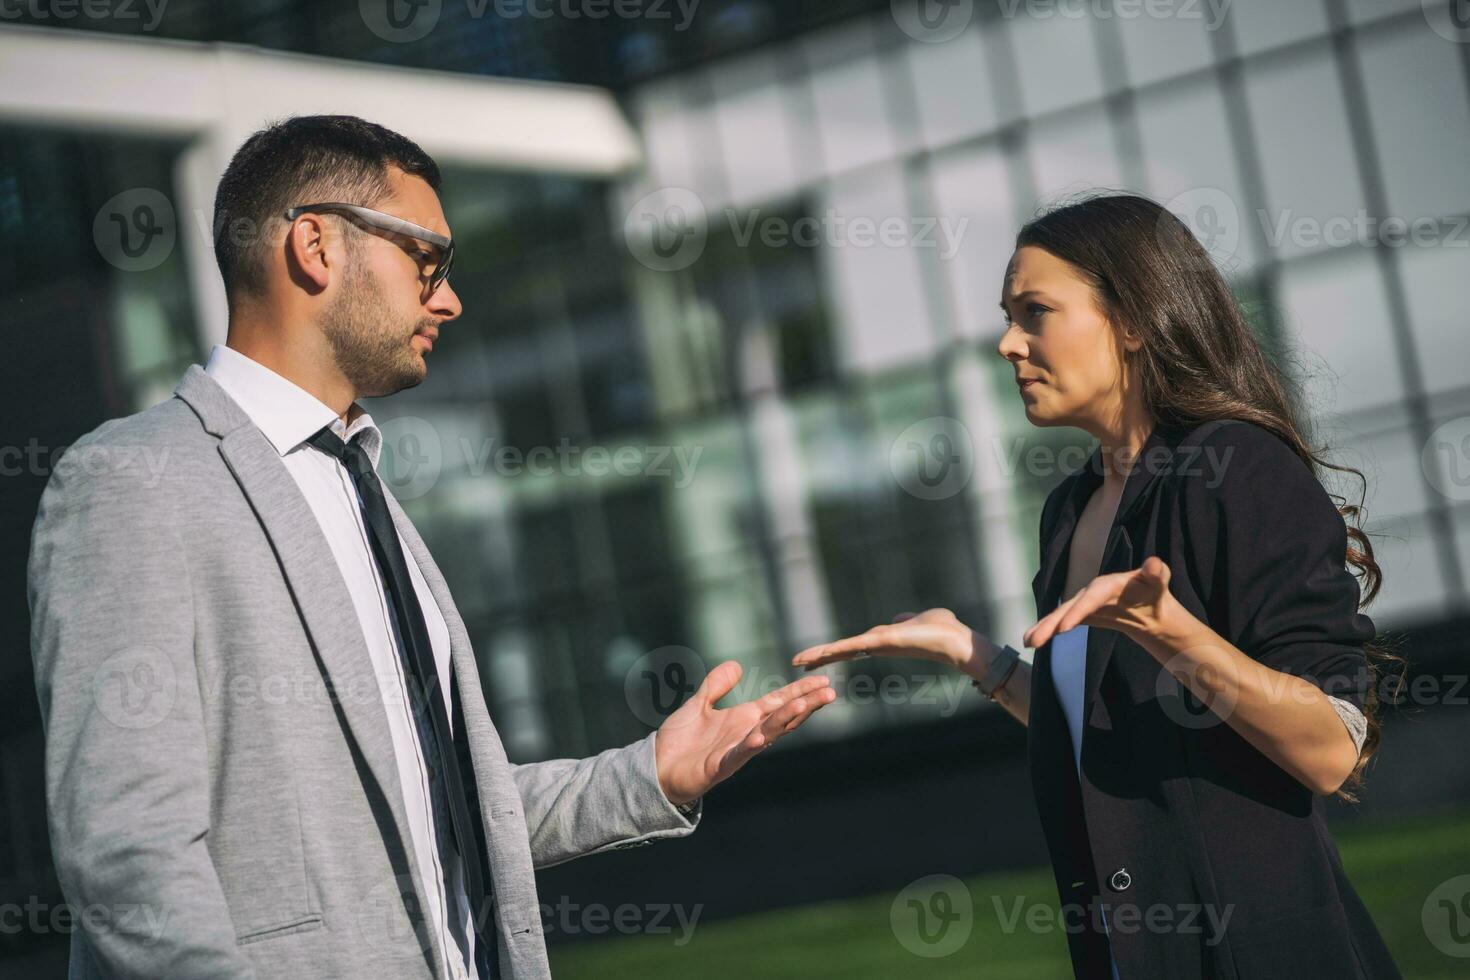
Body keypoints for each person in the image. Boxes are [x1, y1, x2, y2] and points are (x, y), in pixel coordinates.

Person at [27, 114, 835, 980]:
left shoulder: (364, 486)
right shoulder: (130, 481)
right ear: (316, 246)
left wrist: (648, 778)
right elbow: (127, 857)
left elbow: (432, 813)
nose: (447, 298)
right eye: (428, 260)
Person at [793, 193, 1403, 979]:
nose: (1009, 343)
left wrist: (1176, 635)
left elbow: (1330, 750)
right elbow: (1102, 725)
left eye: (1035, 311)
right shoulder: (1071, 509)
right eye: (1007, 317)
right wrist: (982, 659)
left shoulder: (1236, 469)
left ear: (1134, 319)